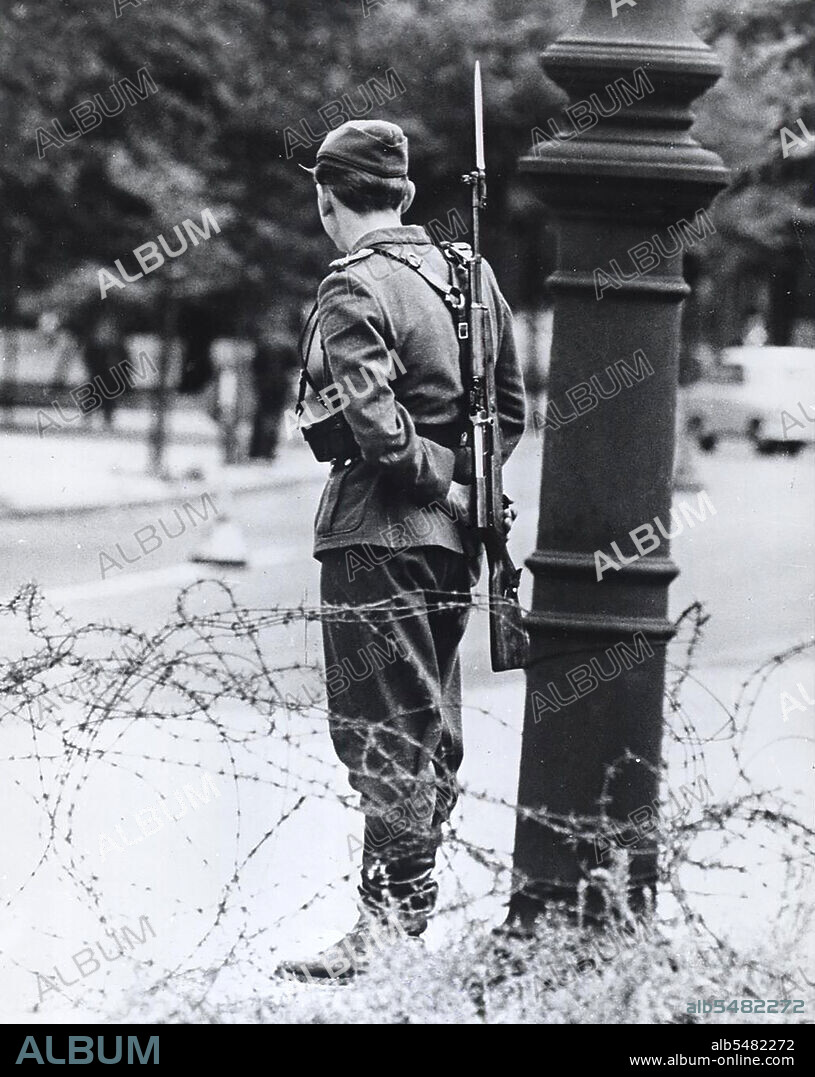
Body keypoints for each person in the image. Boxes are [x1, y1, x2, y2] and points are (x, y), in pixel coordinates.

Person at [277, 119, 525, 981]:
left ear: (324, 197)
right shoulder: (469, 272)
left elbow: (374, 425)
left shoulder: (353, 286)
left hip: (376, 537)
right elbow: (513, 410)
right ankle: (399, 914)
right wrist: (465, 491)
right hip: (451, 548)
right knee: (427, 727)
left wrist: (436, 482)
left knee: (379, 731)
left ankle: (387, 928)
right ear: (407, 196)